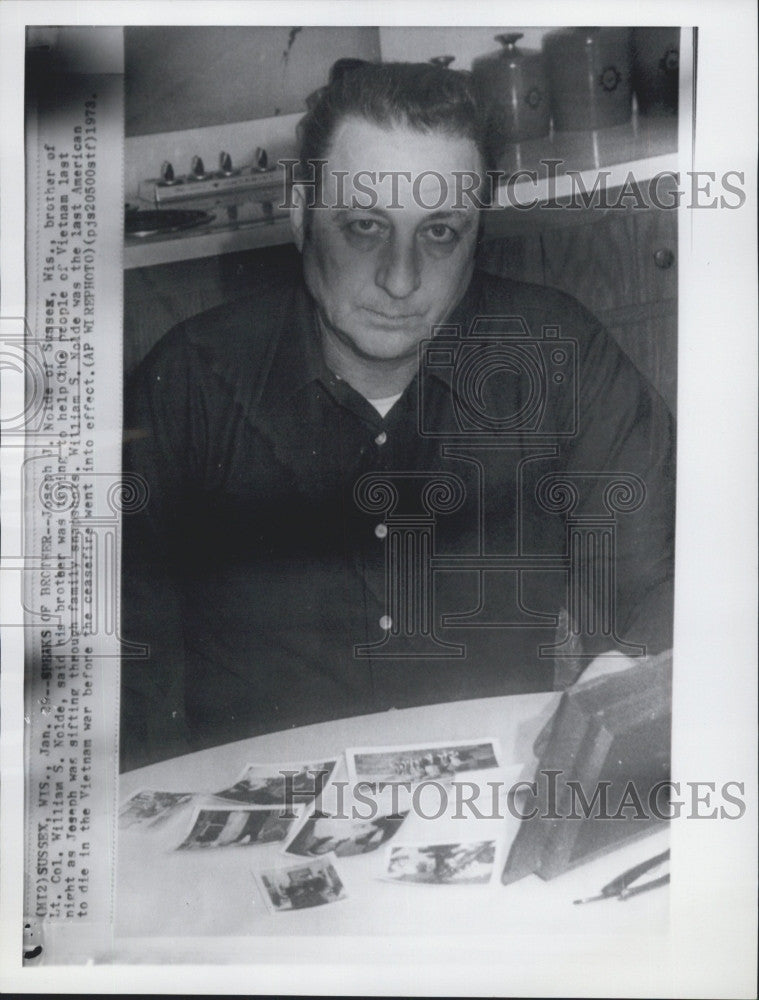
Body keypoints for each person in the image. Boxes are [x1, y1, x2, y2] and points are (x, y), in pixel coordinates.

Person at [121, 60, 675, 771]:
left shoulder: (557, 353)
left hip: (486, 815)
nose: (400, 277)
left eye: (440, 232)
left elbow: (665, 582)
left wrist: (614, 694)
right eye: (362, 227)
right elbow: (119, 676)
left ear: (478, 233)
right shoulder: (189, 383)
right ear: (300, 217)